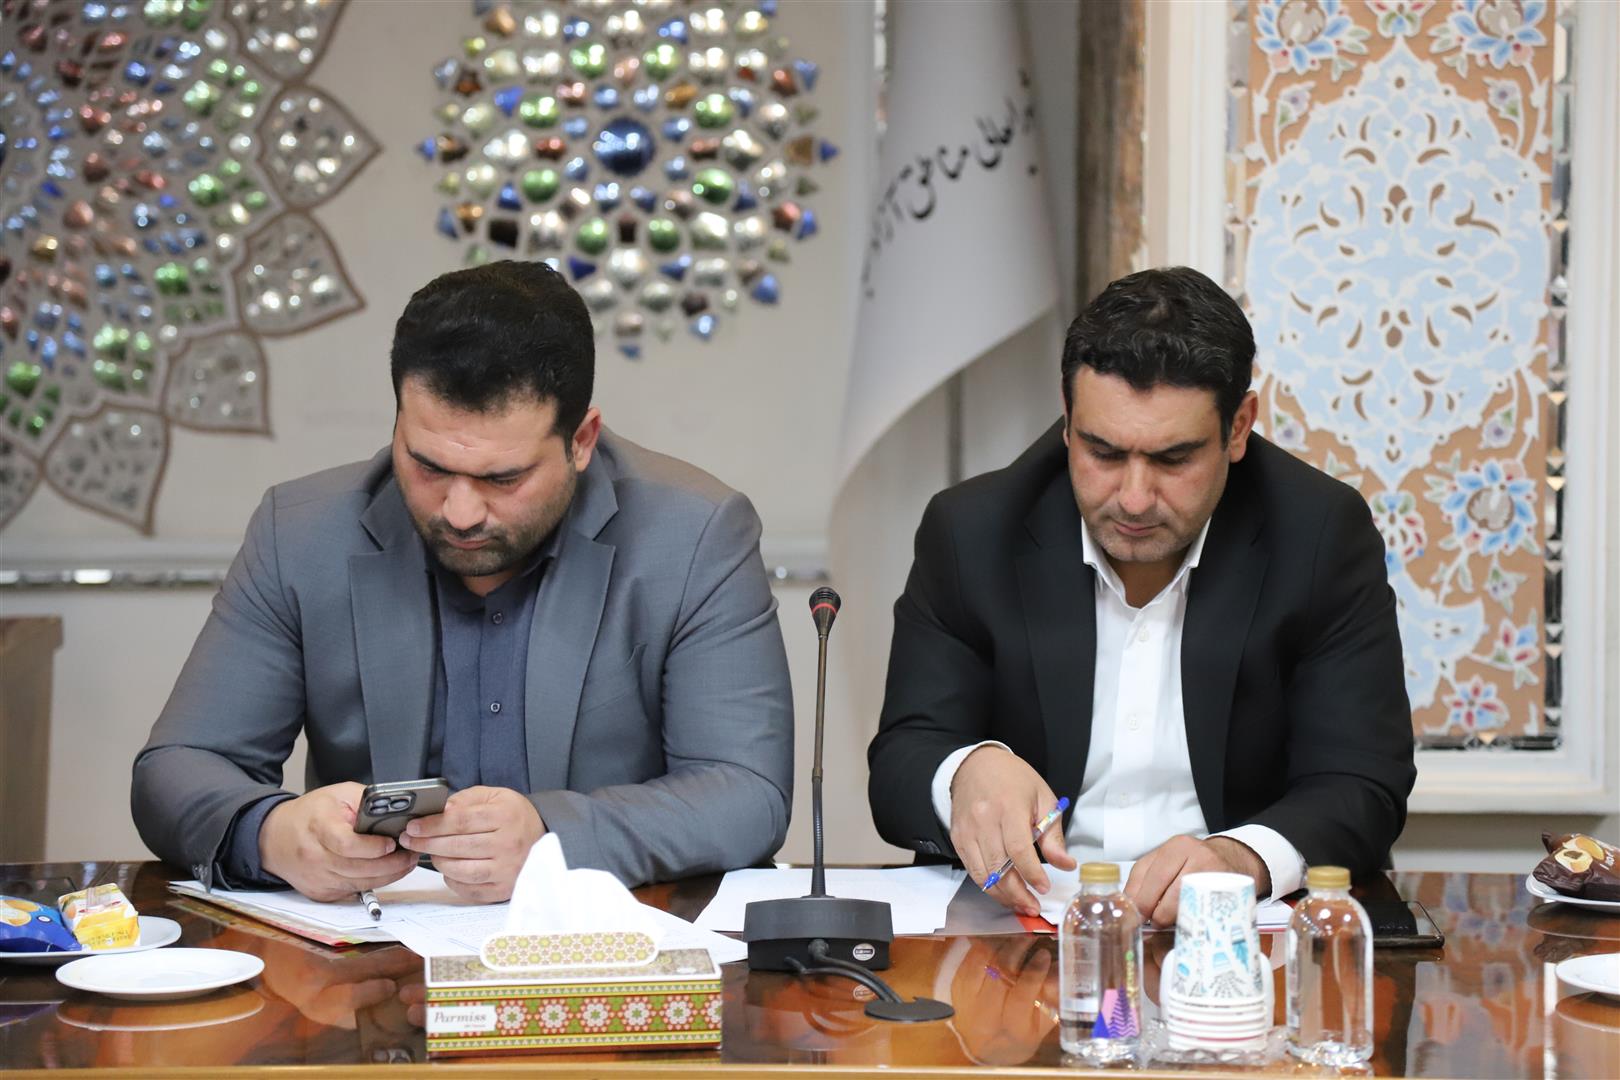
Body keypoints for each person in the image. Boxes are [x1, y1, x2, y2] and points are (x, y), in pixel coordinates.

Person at [133, 260, 793, 903]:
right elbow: (175, 769)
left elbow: (746, 792)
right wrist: (271, 833)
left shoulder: (694, 535)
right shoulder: (302, 533)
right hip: (372, 953)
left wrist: (555, 838)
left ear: (582, 440)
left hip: (607, 947)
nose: (460, 512)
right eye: (428, 466)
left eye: (503, 478)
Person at [867, 266, 1414, 925]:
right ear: (1068, 419)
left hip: (1235, 936)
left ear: (1238, 428)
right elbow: (901, 763)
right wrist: (964, 771)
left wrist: (1240, 857)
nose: (1132, 498)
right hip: (1022, 939)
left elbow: (1362, 783)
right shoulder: (973, 533)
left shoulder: (1319, 535)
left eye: (1172, 459)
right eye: (1102, 452)